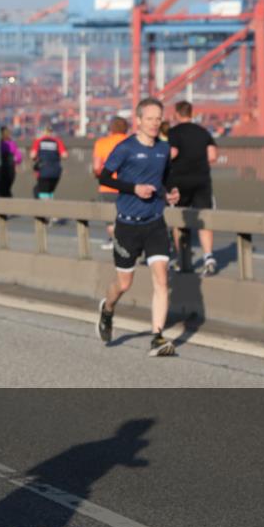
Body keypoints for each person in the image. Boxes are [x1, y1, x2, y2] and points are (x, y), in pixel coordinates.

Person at [96, 98, 180, 357]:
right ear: (139, 121)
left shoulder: (164, 149)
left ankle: (157, 338)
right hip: (127, 225)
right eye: (150, 118)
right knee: (124, 284)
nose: (155, 123)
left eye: (159, 119)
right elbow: (104, 176)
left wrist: (169, 194)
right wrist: (134, 189)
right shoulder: (125, 148)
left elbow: (163, 178)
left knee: (162, 280)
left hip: (155, 222)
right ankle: (107, 310)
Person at [167, 101, 219, 275]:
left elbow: (172, 152)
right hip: (202, 180)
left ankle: (181, 259)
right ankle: (208, 257)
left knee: (179, 220)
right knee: (204, 218)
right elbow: (212, 156)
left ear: (176, 114)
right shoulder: (203, 132)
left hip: (180, 181)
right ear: (191, 113)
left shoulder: (174, 132)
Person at [92, 116, 130, 251]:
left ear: (111, 128)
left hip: (107, 186)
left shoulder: (102, 143)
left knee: (110, 217)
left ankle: (116, 242)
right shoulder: (133, 143)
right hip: (129, 186)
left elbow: (97, 168)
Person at [30, 123, 68, 199]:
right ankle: (50, 206)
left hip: (43, 170)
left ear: (43, 132)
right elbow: (65, 155)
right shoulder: (57, 141)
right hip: (56, 171)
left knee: (42, 193)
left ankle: (44, 209)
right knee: (50, 192)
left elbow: (32, 155)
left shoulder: (38, 141)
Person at [0, 127, 22, 198]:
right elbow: (19, 157)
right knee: (7, 189)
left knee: (1, 190)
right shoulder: (12, 143)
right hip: (11, 169)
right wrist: (13, 161)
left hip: (0, 169)